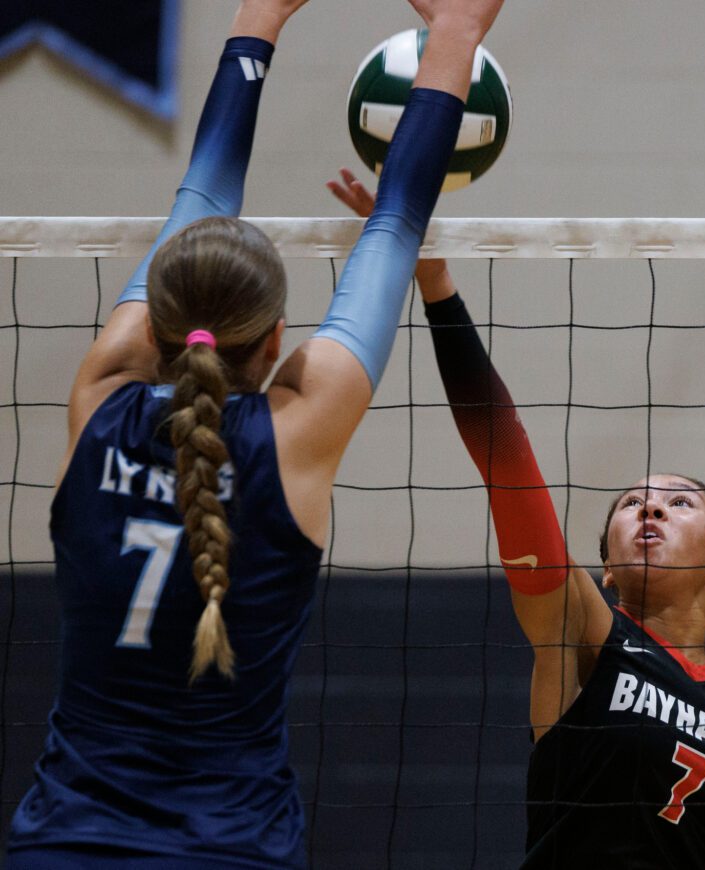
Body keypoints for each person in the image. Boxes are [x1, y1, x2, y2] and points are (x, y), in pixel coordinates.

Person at [5, 0, 504, 866]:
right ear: (278, 343)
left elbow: (203, 195)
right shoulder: (295, 435)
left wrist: (256, 18)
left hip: (65, 843)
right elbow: (395, 228)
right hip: (232, 849)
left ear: (152, 327)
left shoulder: (99, 400)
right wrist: (457, 33)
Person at [329, 170, 705, 869]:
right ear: (603, 565)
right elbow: (505, 458)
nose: (650, 507)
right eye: (631, 502)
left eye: (679, 501)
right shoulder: (581, 630)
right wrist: (436, 288)